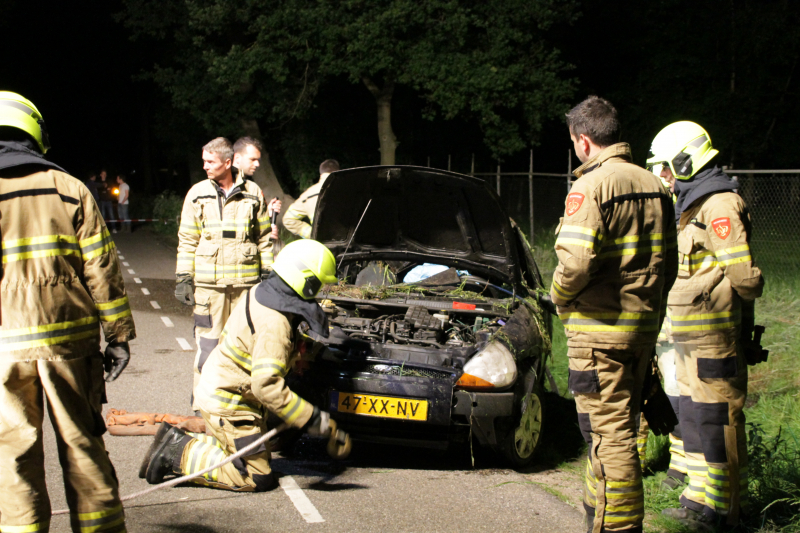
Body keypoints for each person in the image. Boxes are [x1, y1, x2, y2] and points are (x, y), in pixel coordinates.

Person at [0, 91, 135, 532]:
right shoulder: (71, 189)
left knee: (13, 460)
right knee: (84, 449)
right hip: (71, 345)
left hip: (5, 348)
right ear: (35, 133)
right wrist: (117, 337)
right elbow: (102, 268)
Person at [550, 96, 678, 533]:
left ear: (583, 141)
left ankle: (618, 528)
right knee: (614, 431)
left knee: (610, 439)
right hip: (640, 332)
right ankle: (596, 518)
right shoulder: (655, 185)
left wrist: (558, 297)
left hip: (599, 335)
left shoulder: (592, 186)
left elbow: (575, 265)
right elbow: (670, 264)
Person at [142, 239, 341, 490]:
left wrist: (314, 351)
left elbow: (276, 340)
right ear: (307, 281)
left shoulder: (264, 291)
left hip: (222, 389)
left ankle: (184, 440)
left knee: (257, 451)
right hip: (230, 404)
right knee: (258, 476)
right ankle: (178, 453)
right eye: (319, 284)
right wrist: (315, 420)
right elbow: (266, 387)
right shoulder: (275, 324)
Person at [647, 122, 764, 530]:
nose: (662, 176)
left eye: (665, 166)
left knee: (720, 422)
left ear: (683, 160)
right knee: (697, 418)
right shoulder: (693, 203)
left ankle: (728, 508)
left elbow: (745, 277)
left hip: (715, 336)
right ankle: (701, 498)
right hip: (692, 335)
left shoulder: (718, 205)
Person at [175, 137, 280, 413]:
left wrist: (268, 272)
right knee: (208, 344)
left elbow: (264, 238)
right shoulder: (197, 194)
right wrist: (184, 276)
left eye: (210, 161)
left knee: (244, 348)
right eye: (204, 161)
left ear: (228, 162)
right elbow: (187, 239)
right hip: (209, 289)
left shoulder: (253, 192)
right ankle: (202, 403)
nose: (205, 166)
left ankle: (240, 403)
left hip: (246, 288)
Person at [233, 136, 280, 240]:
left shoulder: (252, 188)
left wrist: (267, 214)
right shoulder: (224, 186)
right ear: (237, 159)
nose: (257, 164)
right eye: (252, 159)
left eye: (258, 160)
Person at [283, 159, 339, 239]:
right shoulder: (348, 189)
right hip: (351, 242)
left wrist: (312, 234)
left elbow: (288, 219)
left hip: (323, 243)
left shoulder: (308, 194)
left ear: (321, 175)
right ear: (338, 172)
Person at [98, 168, 116, 233]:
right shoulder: (99, 182)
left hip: (109, 201)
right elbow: (98, 191)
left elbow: (112, 189)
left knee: (111, 215)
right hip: (102, 201)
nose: (104, 175)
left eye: (105, 174)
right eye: (103, 174)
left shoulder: (109, 181)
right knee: (103, 215)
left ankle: (114, 228)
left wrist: (109, 189)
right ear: (100, 175)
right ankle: (104, 229)